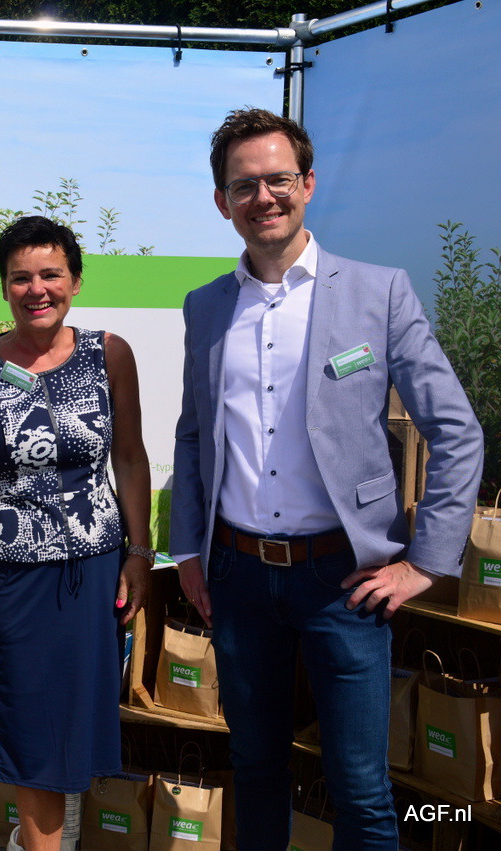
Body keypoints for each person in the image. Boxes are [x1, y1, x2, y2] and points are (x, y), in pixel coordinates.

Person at [170, 108, 483, 848]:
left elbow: (457, 430)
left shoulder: (379, 292)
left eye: (279, 179)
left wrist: (426, 563)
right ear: (222, 201)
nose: (264, 197)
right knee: (255, 768)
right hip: (239, 575)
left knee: (360, 787)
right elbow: (194, 435)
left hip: (344, 579)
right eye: (244, 185)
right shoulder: (206, 306)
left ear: (308, 183)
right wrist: (187, 550)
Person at [0, 216, 153, 851]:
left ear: (75, 280)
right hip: (15, 572)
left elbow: (130, 458)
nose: (36, 289)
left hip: (97, 566)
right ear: (3, 287)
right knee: (31, 714)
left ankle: (45, 838)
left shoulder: (110, 353)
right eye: (21, 278)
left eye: (51, 274)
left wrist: (140, 550)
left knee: (82, 715)